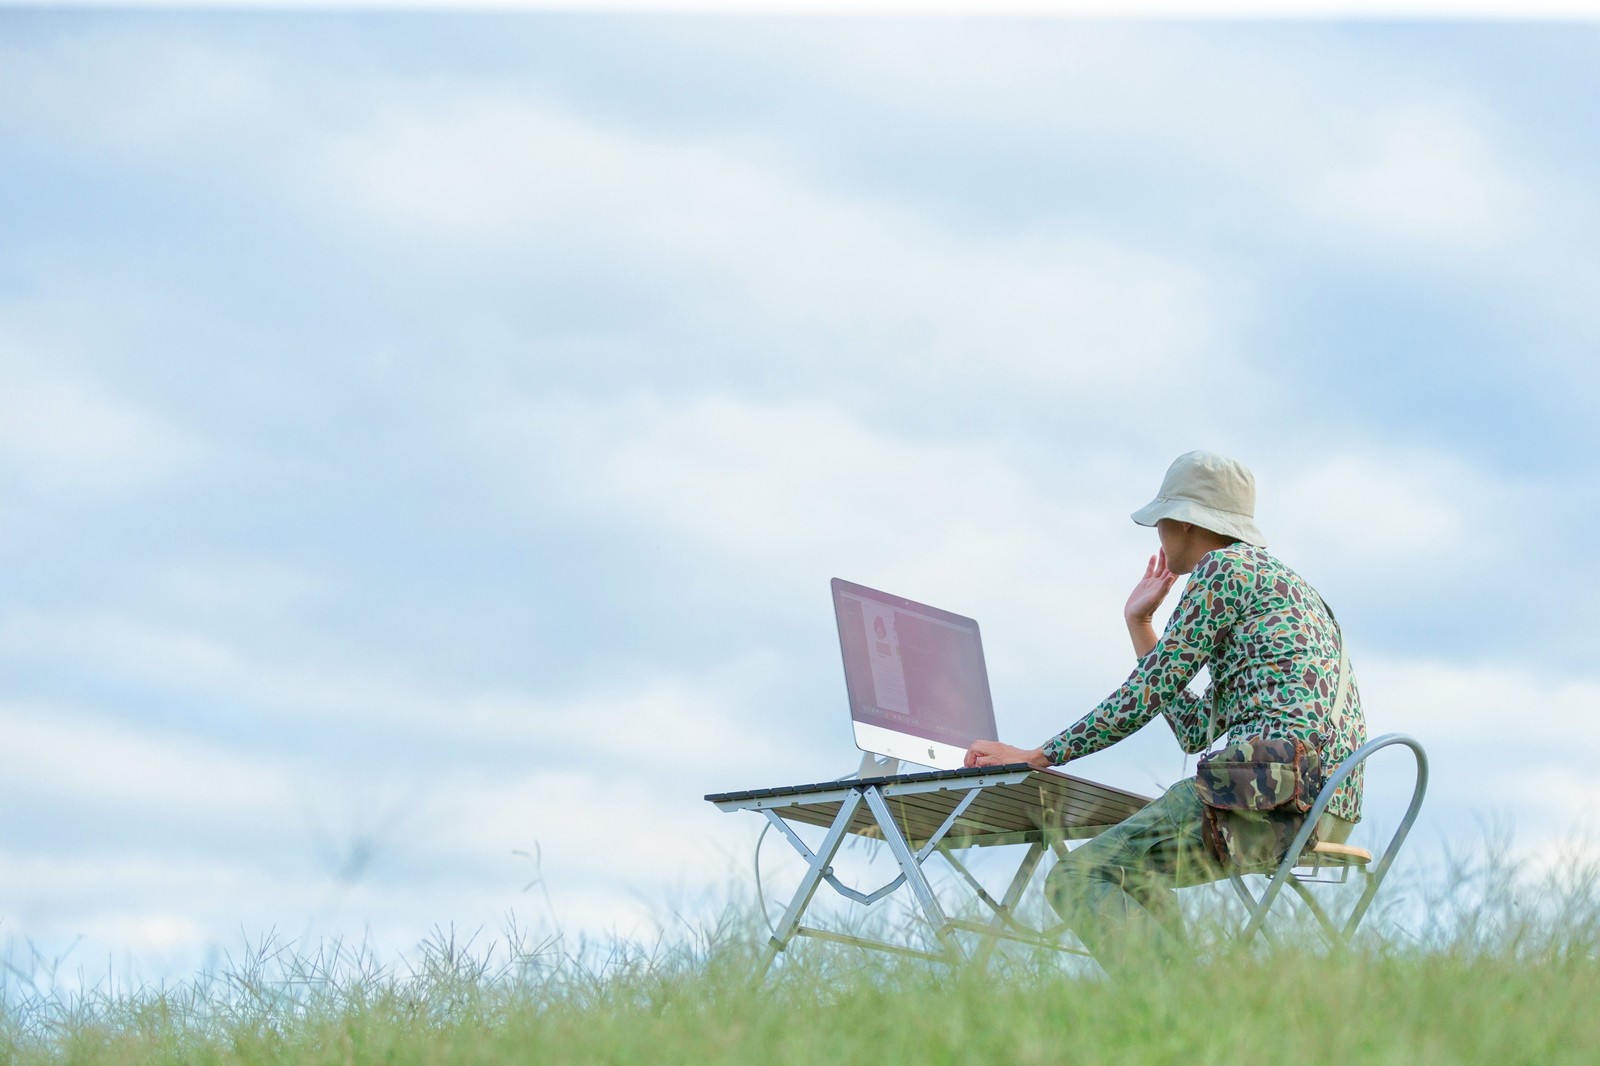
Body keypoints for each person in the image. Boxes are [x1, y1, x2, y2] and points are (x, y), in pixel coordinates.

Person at [963, 450, 1366, 972]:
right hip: (1327, 805)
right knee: (1136, 868)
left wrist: (1039, 755)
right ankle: (1187, 1008)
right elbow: (1195, 729)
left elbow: (1146, 693)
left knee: (1077, 876)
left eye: (1160, 524)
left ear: (1182, 522)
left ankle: (1170, 1012)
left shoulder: (1223, 571)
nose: (1158, 536)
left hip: (1273, 793)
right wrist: (1141, 625)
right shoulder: (1289, 588)